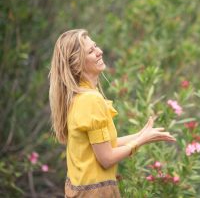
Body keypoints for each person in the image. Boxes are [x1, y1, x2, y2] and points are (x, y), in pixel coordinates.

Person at [49, 29, 176, 197]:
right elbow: (107, 158)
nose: (99, 51)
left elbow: (104, 146)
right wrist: (139, 142)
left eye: (95, 46)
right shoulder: (90, 100)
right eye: (90, 51)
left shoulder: (79, 97)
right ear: (77, 64)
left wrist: (141, 135)